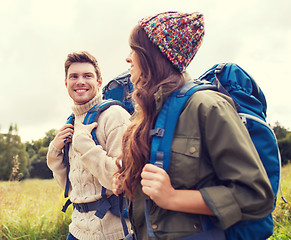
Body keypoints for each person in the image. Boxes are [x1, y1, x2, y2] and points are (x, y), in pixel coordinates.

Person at [113, 12, 274, 240]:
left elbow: (255, 195)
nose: (128, 59)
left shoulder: (208, 106)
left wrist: (172, 197)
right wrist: (126, 179)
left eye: (134, 49)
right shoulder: (144, 114)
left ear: (154, 56)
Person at [47, 51, 131, 240]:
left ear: (99, 81)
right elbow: (71, 188)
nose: (80, 81)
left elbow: (121, 181)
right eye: (74, 76)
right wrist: (54, 152)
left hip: (112, 233)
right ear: (66, 83)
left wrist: (85, 146)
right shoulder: (71, 122)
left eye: (87, 76)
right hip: (77, 230)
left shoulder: (115, 116)